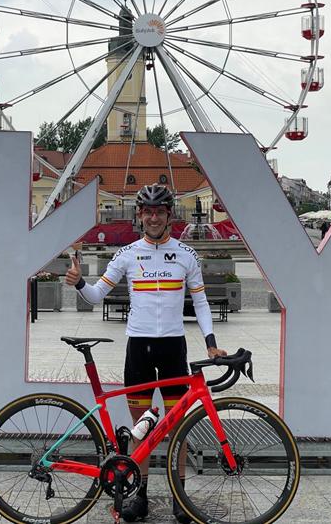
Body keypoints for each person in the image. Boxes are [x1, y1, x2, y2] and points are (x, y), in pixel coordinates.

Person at [66, 184, 227, 523]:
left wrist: (210, 342)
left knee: (176, 428)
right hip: (138, 348)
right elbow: (96, 296)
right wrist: (80, 282)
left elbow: (200, 302)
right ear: (140, 216)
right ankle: (139, 496)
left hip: (172, 347)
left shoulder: (186, 255)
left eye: (160, 211)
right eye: (147, 211)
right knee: (141, 428)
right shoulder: (127, 254)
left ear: (169, 215)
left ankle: (179, 498)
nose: (153, 217)